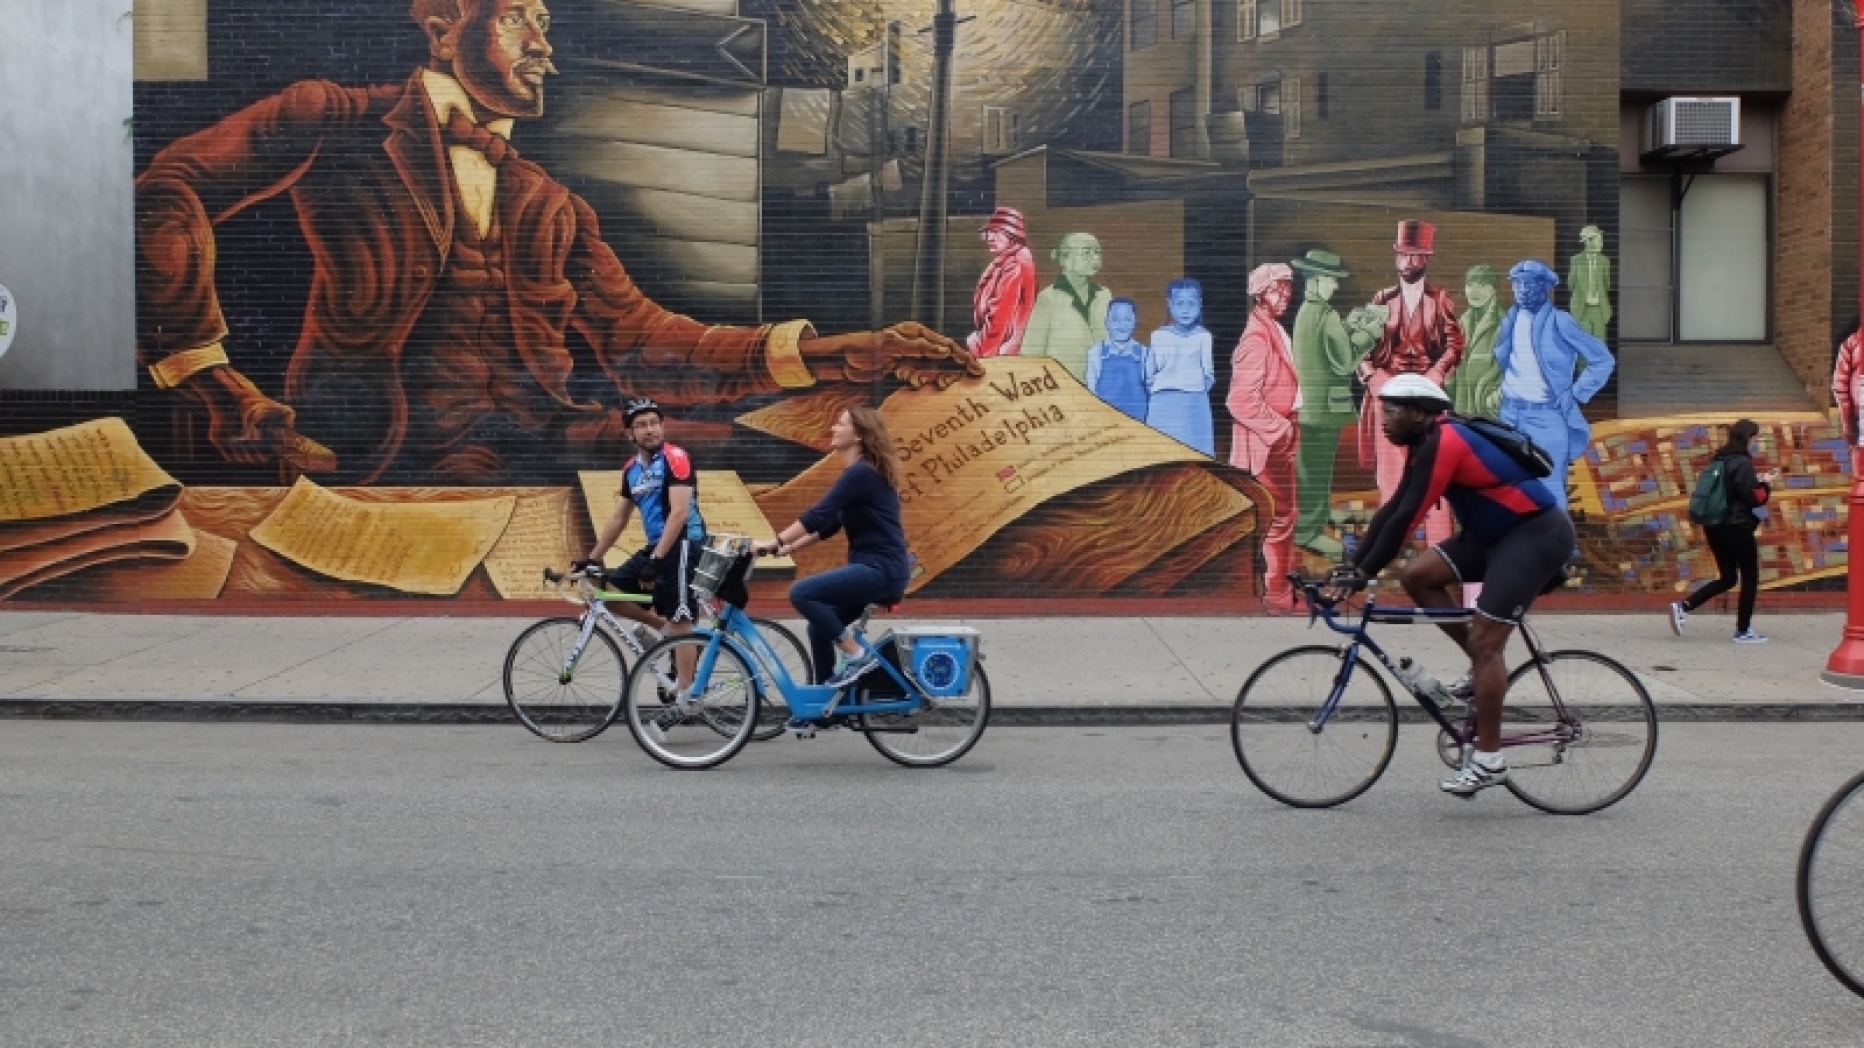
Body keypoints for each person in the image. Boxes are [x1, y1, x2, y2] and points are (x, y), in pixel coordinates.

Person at [135, 0, 978, 484]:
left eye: (547, 23)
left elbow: (648, 346)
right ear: (441, 30)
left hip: (546, 444)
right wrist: (212, 384)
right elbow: (169, 189)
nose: (545, 44)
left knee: (803, 449)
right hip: (379, 457)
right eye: (517, 20)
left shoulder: (551, 203)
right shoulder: (335, 119)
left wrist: (843, 352)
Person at [1323, 374, 1572, 796]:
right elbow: (1393, 508)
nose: (1383, 419)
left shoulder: (1447, 442)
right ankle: (1481, 666)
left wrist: (1364, 573)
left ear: (1420, 414)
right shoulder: (1424, 445)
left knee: (1486, 644)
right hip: (1492, 536)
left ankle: (1490, 759)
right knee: (1417, 577)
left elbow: (1407, 519)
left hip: (1533, 536)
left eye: (1392, 411)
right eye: (1383, 410)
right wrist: (1354, 567)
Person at [755, 407, 914, 698]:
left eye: (841, 424)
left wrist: (774, 541)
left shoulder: (862, 473)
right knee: (820, 627)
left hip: (882, 569)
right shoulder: (862, 474)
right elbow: (828, 524)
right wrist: (788, 548)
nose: (834, 428)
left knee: (802, 593)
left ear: (858, 435)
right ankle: (826, 707)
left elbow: (818, 514)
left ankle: (856, 657)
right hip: (879, 568)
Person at [577, 397, 708, 686]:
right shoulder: (631, 469)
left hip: (684, 544)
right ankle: (663, 630)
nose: (650, 430)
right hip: (658, 547)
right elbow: (619, 518)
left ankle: (686, 694)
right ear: (630, 434)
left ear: (662, 427)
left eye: (654, 423)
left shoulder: (676, 458)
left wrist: (657, 559)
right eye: (641, 425)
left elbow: (679, 513)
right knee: (605, 592)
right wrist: (593, 558)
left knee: (681, 617)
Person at [1359, 220, 1465, 547]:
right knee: (1391, 478)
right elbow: (1360, 347)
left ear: (1426, 259)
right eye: (1403, 255)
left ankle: (1439, 544)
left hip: (1427, 399)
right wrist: (1373, 377)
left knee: (1433, 471)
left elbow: (1455, 345)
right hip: (1389, 398)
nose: (1408, 262)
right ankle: (1390, 547)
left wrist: (1435, 376)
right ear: (1396, 258)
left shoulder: (1440, 299)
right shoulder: (1382, 298)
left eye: (1415, 255)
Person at [1494, 260, 1615, 513]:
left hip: (1546, 416)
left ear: (1545, 288)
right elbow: (1506, 360)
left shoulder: (1561, 321)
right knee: (1508, 484)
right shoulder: (1510, 319)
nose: (1523, 290)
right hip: (1509, 413)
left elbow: (1602, 359)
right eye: (1518, 284)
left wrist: (1577, 393)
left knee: (1549, 485)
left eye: (1530, 284)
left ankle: (1559, 547)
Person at [1228, 263, 1302, 614]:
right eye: (1278, 289)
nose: (1285, 296)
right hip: (1266, 443)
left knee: (1275, 515)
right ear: (1260, 293)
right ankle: (1276, 594)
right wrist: (1281, 428)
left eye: (1288, 289)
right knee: (1281, 516)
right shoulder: (1257, 337)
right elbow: (1240, 400)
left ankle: (1274, 588)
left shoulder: (1271, 328)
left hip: (1276, 439)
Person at [1669, 419, 1778, 644]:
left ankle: (1683, 607)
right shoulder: (1742, 463)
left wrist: (1755, 482)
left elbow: (1732, 489)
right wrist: (1766, 484)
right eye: (1754, 437)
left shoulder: (1720, 459)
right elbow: (1753, 498)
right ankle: (1743, 631)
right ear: (1747, 438)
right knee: (1750, 578)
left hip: (1714, 526)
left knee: (1728, 577)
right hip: (1736, 528)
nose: (1755, 442)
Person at [1288, 249, 1365, 558]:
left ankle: (1315, 521)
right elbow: (1345, 362)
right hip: (1324, 410)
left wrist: (1348, 329)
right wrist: (1368, 333)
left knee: (1313, 470)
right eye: (1331, 281)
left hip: (1310, 407)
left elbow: (1327, 349)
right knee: (1316, 471)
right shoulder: (1327, 314)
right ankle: (1309, 532)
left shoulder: (1307, 312)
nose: (1334, 287)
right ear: (1316, 280)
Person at [1022, 232, 1112, 381]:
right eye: (1086, 252)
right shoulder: (1049, 298)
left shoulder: (1104, 295)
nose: (1095, 258)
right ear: (1064, 259)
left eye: (1097, 252)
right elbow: (1031, 351)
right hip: (1063, 387)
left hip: (1100, 387)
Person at [1145, 278, 1216, 455]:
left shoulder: (1204, 336)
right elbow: (1151, 369)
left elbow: (1209, 372)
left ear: (1200, 304)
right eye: (1179, 303)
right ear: (1169, 304)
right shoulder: (1159, 336)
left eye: (1191, 303)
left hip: (1194, 401)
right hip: (1164, 401)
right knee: (1163, 451)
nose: (1185, 310)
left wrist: (1198, 391)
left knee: (1195, 451)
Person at [967, 207, 1040, 359]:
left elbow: (999, 319)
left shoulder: (1015, 265)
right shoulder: (1007, 261)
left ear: (1013, 235)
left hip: (1000, 353)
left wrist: (981, 352)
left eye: (997, 233)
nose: (990, 238)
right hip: (1002, 350)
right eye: (988, 233)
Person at [1448, 265, 1504, 418]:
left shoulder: (1503, 324)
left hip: (1490, 413)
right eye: (1470, 285)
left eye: (1482, 285)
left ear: (1493, 290)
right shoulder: (1460, 325)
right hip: (1461, 412)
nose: (1474, 291)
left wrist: (1494, 398)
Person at [1085, 298, 1151, 421]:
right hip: (1105, 420)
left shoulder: (1144, 353)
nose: (1121, 325)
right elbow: (1091, 391)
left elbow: (1150, 390)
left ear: (1135, 322)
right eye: (1115, 320)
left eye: (1127, 319)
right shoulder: (1096, 352)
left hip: (1138, 421)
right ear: (1106, 322)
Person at [1567, 225, 1613, 342]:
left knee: (1600, 343)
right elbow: (1571, 284)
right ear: (1588, 241)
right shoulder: (1576, 260)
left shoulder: (1604, 261)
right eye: (1599, 240)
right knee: (1583, 343)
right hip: (1581, 309)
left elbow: (1607, 284)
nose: (1601, 243)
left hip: (1599, 309)